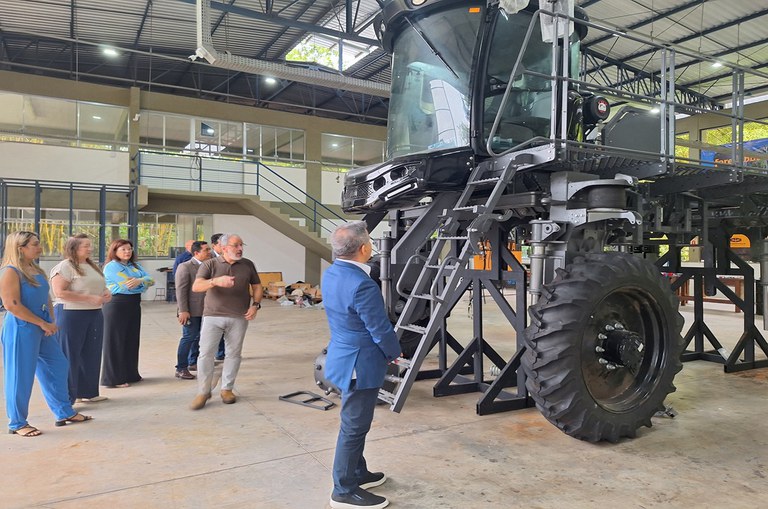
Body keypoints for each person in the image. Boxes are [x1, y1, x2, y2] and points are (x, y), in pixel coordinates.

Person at [322, 221, 401, 509]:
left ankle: (358, 472)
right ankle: (343, 490)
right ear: (365, 248)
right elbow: (379, 328)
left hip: (343, 354)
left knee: (356, 422)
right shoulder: (362, 284)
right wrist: (394, 352)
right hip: (360, 361)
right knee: (354, 427)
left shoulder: (332, 273)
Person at [0, 231, 92, 436]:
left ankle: (64, 411)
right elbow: (12, 305)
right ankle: (17, 423)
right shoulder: (10, 271)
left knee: (58, 364)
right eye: (35, 244)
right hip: (21, 328)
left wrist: (51, 320)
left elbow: (47, 297)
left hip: (43, 327)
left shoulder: (35, 268)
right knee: (20, 376)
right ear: (20, 248)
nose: (40, 247)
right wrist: (42, 323)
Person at [189, 233, 262, 410]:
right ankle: (203, 391)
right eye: (235, 245)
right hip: (213, 316)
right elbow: (197, 286)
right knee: (205, 353)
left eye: (241, 245)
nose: (240, 249)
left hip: (239, 316)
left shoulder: (248, 264)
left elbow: (257, 286)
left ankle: (227, 389)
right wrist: (215, 281)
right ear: (223, 248)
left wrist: (255, 305)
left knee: (233, 354)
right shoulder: (210, 264)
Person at [50, 234, 112, 404]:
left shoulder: (91, 266)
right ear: (74, 248)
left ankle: (88, 392)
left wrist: (106, 292)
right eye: (86, 246)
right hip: (71, 314)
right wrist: (89, 298)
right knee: (70, 355)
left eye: (90, 245)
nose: (90, 248)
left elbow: (97, 284)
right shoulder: (65, 267)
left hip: (94, 313)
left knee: (91, 353)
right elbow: (59, 292)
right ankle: (67, 398)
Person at [101, 239, 154, 388]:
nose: (127, 252)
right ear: (115, 251)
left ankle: (131, 373)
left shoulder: (134, 266)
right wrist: (141, 283)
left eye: (129, 249)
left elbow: (151, 280)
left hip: (133, 304)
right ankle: (113, 379)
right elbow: (126, 287)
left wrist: (140, 281)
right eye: (123, 249)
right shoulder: (111, 267)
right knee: (115, 341)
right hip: (116, 305)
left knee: (131, 339)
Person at [174, 240, 212, 379]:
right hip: (191, 310)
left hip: (208, 309)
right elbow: (181, 290)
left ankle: (194, 362)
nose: (209, 252)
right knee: (189, 337)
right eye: (206, 250)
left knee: (201, 337)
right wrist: (183, 310)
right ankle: (181, 368)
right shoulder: (185, 267)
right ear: (196, 253)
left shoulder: (210, 265)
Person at [210, 233, 226, 361]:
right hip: (211, 300)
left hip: (226, 300)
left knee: (224, 328)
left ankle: (221, 353)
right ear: (214, 245)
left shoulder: (229, 258)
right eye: (222, 244)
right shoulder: (207, 259)